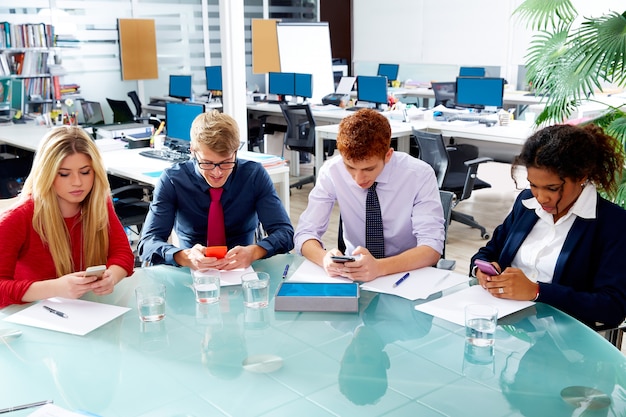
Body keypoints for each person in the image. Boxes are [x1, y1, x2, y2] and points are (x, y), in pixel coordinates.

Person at [471, 123, 626, 328]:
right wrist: (481, 269)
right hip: (505, 324)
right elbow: (489, 251)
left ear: (581, 176)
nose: (541, 197)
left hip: (562, 340)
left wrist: (537, 291)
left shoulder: (613, 223)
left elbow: (612, 308)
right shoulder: (526, 204)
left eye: (552, 188)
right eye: (533, 185)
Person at [294, 108, 445, 282]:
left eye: (369, 169)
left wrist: (379, 267)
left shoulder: (419, 175)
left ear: (388, 155)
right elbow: (305, 233)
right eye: (350, 167)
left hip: (404, 272)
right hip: (354, 272)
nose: (358, 179)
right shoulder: (332, 170)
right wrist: (324, 258)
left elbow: (432, 248)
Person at [138, 110, 294, 270]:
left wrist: (255, 252)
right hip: (191, 273)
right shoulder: (173, 180)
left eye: (226, 162)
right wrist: (184, 256)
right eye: (207, 163)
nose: (217, 172)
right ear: (192, 150)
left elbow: (285, 233)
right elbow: (147, 243)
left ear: (235, 152)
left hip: (245, 271)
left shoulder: (253, 176)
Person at [0, 126, 135, 308]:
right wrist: (55, 288)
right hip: (32, 317)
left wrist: (112, 276)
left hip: (85, 311)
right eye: (64, 174)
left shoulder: (99, 204)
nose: (77, 182)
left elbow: (122, 253)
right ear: (47, 174)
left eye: (85, 172)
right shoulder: (18, 218)